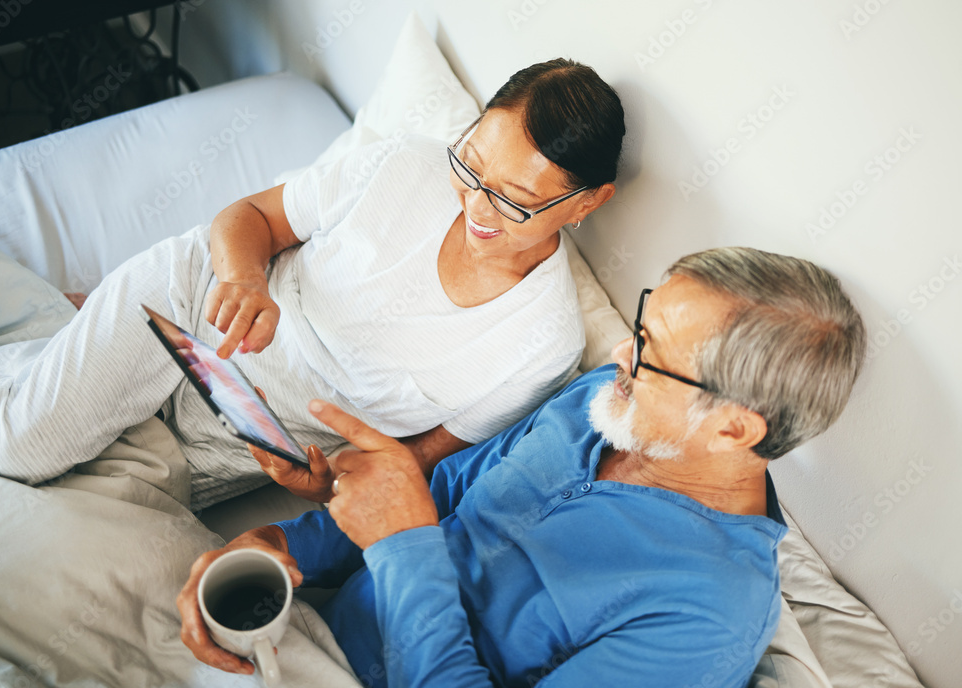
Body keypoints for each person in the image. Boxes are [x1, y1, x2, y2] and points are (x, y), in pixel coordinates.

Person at [178, 246, 867, 687]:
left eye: (650, 355)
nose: (620, 360)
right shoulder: (603, 403)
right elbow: (450, 487)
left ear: (733, 428)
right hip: (298, 628)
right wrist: (282, 546)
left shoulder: (710, 613)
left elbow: (410, 527)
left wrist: (401, 546)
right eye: (639, 326)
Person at [0, 58, 624, 509]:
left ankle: (50, 333)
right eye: (470, 165)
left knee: (47, 522)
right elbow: (247, 216)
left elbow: (418, 459)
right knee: (23, 446)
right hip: (189, 312)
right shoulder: (405, 165)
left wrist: (325, 484)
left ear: (586, 204)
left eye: (512, 201)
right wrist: (244, 279)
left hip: (236, 447)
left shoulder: (539, 345)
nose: (475, 207)